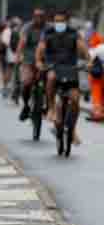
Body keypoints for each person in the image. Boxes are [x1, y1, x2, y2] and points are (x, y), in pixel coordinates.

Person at [36, 9, 89, 156]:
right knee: (51, 78)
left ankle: (73, 130)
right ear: (53, 21)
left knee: (75, 100)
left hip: (70, 69)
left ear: (67, 21)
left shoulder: (73, 33)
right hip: (53, 67)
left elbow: (82, 48)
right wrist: (39, 62)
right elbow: (40, 49)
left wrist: (89, 61)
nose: (59, 24)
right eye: (56, 21)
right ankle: (51, 108)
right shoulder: (48, 33)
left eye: (62, 21)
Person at [17, 8, 48, 121]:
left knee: (50, 81)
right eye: (36, 16)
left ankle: (48, 105)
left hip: (45, 59)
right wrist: (19, 56)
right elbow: (22, 42)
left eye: (41, 16)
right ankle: (26, 105)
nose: (38, 19)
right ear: (33, 17)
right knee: (26, 83)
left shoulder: (48, 28)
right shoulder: (27, 27)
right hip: (29, 59)